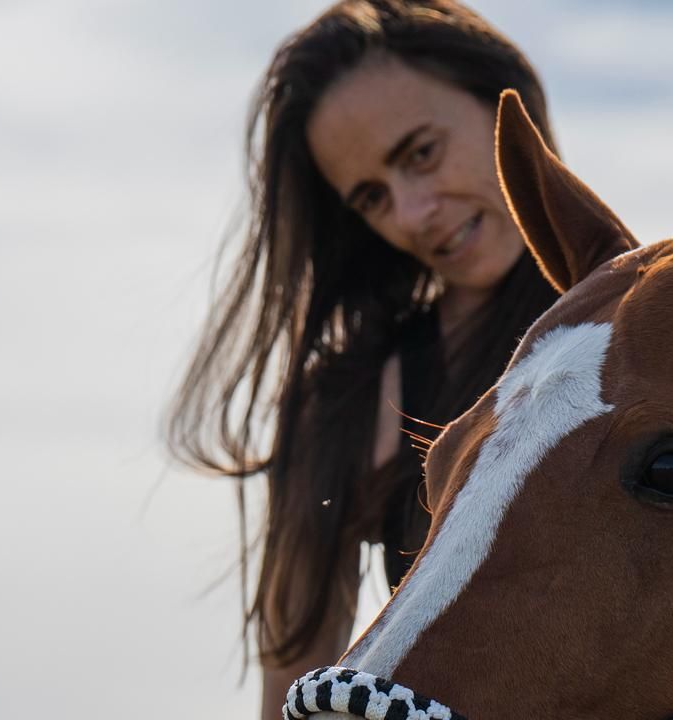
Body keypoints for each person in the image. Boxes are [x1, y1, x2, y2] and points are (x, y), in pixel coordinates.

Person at [165, 1, 561, 716]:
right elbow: (290, 698)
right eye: (372, 198)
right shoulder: (354, 400)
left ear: (508, 105)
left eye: (421, 153)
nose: (412, 214)